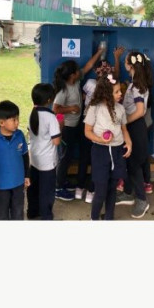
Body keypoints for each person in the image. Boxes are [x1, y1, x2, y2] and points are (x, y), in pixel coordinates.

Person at [52, 48, 102, 201]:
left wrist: (99, 52)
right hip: (66, 127)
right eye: (76, 71)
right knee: (65, 157)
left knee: (68, 155)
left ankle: (62, 181)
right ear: (72, 75)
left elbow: (87, 66)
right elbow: (55, 109)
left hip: (74, 126)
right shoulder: (63, 90)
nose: (79, 72)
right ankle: (58, 187)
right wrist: (71, 108)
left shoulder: (76, 81)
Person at [84, 74, 131, 221]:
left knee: (113, 188)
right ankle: (94, 218)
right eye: (116, 92)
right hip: (100, 152)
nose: (120, 94)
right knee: (101, 191)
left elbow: (124, 129)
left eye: (120, 91)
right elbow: (87, 131)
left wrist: (129, 143)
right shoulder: (95, 108)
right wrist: (100, 140)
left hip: (117, 152)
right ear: (106, 93)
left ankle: (109, 217)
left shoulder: (121, 109)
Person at [115, 50, 152, 219]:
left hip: (135, 127)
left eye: (125, 61)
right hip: (133, 127)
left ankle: (142, 199)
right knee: (129, 162)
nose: (124, 64)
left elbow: (140, 111)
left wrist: (124, 123)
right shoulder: (135, 82)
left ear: (129, 65)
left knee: (134, 164)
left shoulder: (137, 85)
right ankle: (129, 193)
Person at [0, 100, 30, 220]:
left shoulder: (20, 135)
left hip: (18, 183)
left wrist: (27, 175)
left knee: (18, 212)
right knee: (1, 214)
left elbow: (25, 156)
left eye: (17, 118)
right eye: (13, 120)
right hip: (1, 185)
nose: (17, 122)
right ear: (1, 122)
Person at [27, 83, 61, 220]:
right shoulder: (50, 117)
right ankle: (46, 215)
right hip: (47, 161)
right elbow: (56, 141)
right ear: (49, 100)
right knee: (46, 191)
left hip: (34, 159)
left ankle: (32, 212)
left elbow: (30, 133)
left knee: (34, 188)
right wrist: (61, 127)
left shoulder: (32, 113)